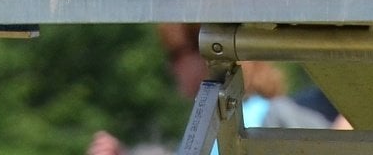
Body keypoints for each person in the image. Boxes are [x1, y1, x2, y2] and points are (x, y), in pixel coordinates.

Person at [87, 24, 346, 155]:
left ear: (207, 51)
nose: (170, 67)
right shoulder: (225, 120)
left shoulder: (267, 118)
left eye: (176, 55)